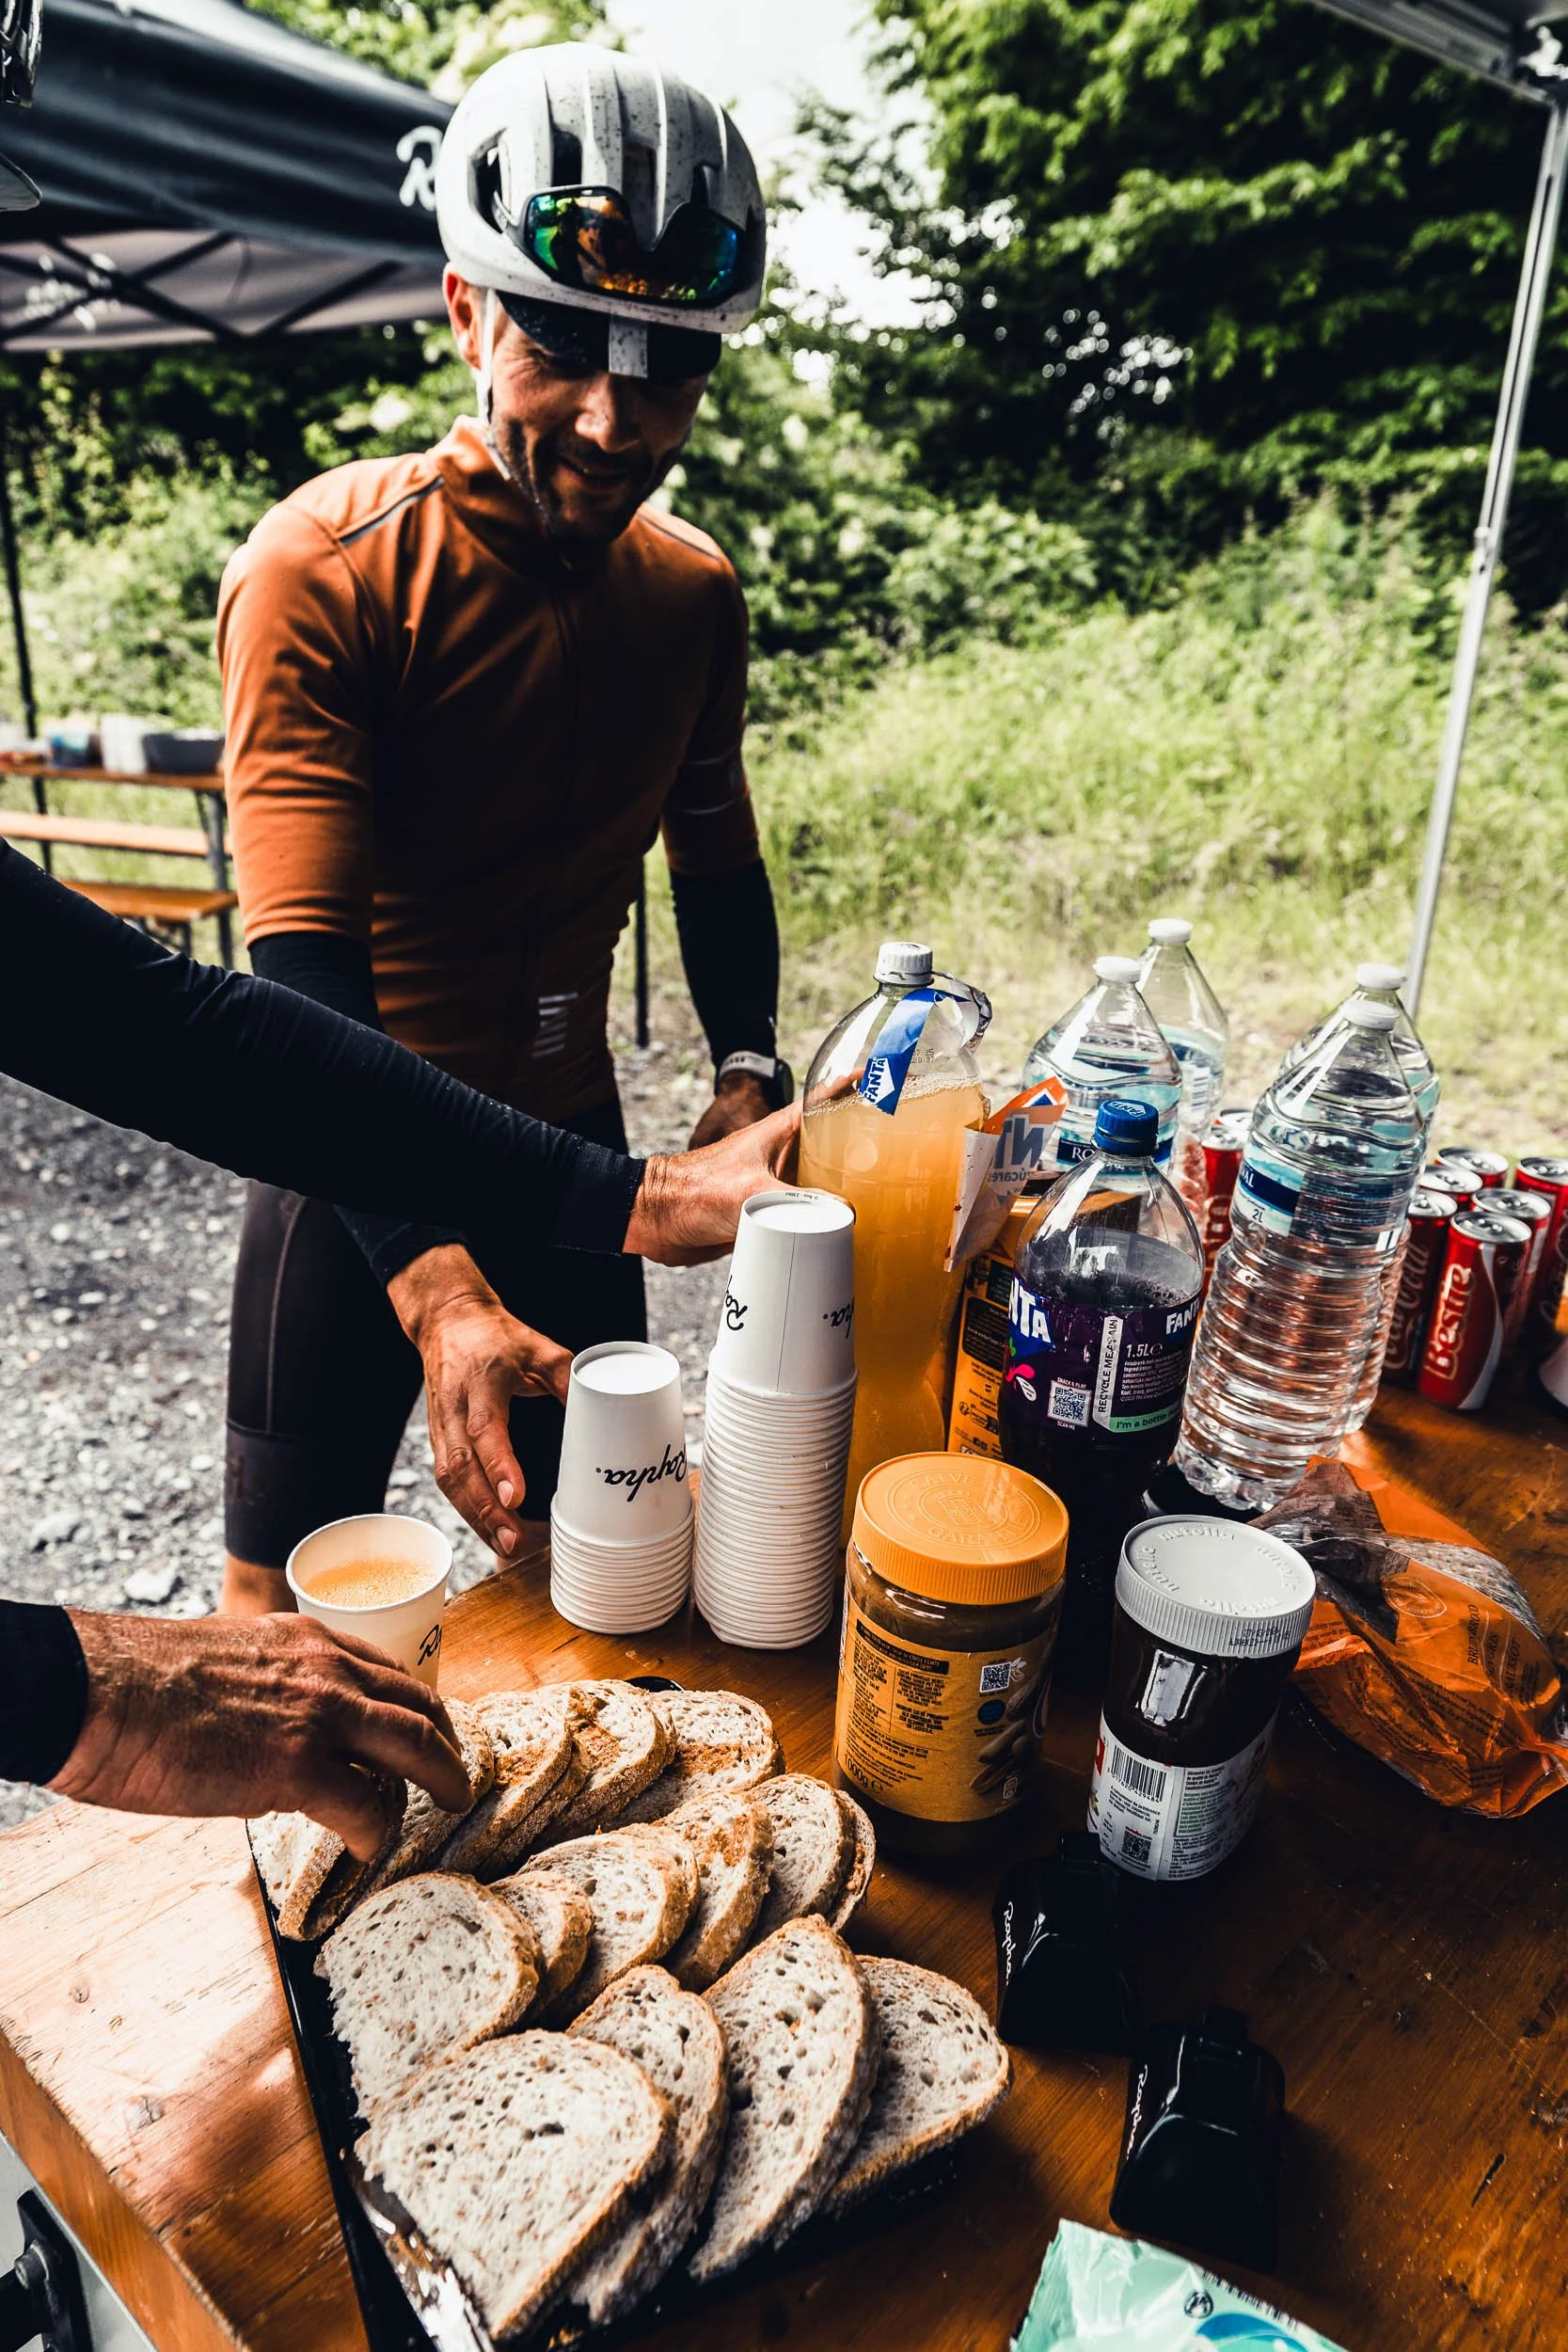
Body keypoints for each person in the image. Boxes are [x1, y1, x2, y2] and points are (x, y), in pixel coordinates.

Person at [215, 45, 784, 1614]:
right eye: (563, 343)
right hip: (347, 1181)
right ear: (467, 313)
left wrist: (750, 1070)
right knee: (282, 1623)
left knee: (598, 1589)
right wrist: (426, 1270)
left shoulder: (692, 594)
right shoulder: (324, 570)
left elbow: (719, 859)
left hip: (568, 1158)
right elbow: (296, 985)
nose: (614, 419)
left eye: (666, 364)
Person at [0, 839, 797, 1838]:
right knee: (271, 1605)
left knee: (558, 1577)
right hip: (347, 1199)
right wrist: (88, 1692)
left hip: (524, 1135)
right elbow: (281, 967)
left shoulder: (689, 672)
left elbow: (168, 1025)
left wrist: (646, 1188)